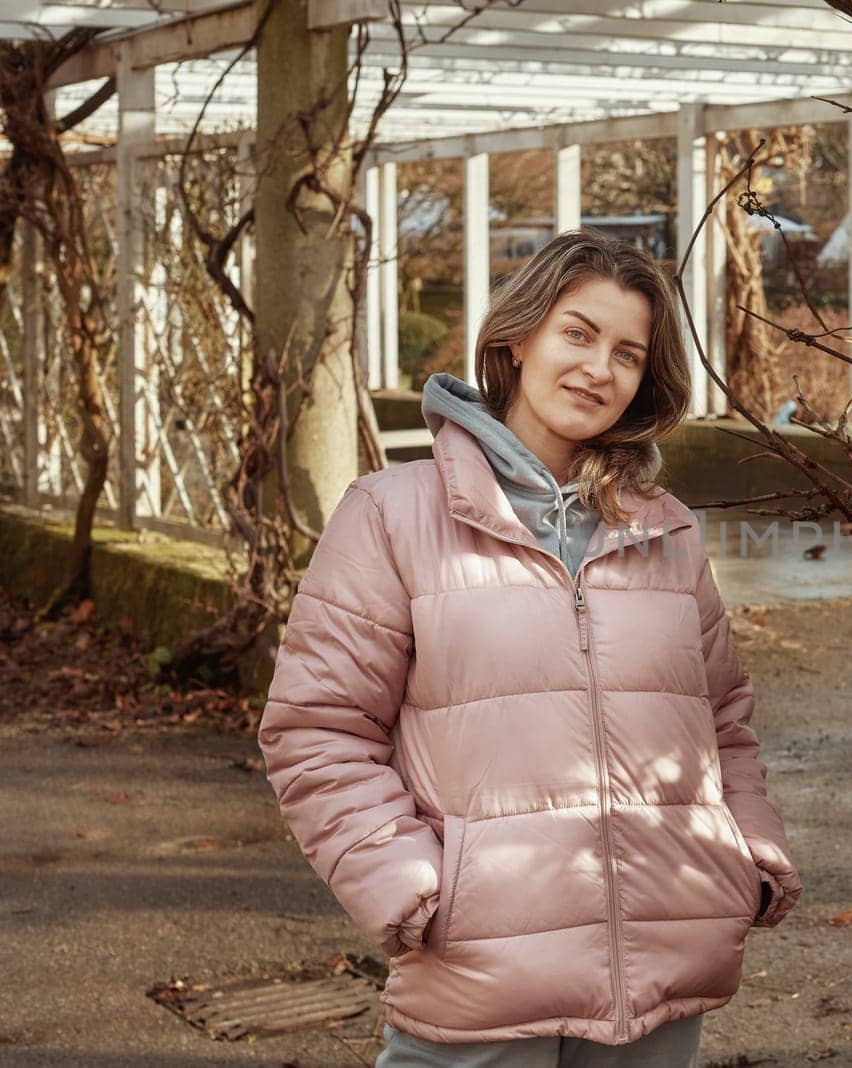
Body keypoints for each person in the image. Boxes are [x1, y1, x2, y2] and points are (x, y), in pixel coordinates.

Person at [257, 230, 801, 1068]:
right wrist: (413, 887)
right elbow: (318, 729)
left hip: (662, 975)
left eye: (627, 353)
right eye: (577, 334)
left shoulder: (667, 531)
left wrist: (746, 855)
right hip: (480, 979)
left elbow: (723, 723)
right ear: (517, 340)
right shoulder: (391, 513)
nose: (599, 368)